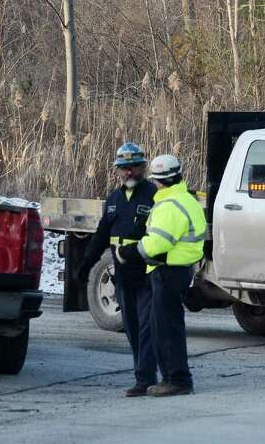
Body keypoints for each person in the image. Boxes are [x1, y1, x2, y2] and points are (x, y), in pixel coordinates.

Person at [118, 154, 206, 397]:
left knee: (165, 329)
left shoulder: (169, 205)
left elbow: (157, 243)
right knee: (168, 327)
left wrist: (129, 251)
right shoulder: (186, 199)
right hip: (178, 270)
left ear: (158, 180)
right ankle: (174, 378)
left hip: (167, 271)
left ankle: (175, 379)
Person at [77, 142, 158, 397]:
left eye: (133, 167)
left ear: (142, 168)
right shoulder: (113, 199)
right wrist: (86, 265)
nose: (128, 172)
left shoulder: (154, 196)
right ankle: (143, 374)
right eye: (123, 168)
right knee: (133, 329)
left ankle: (145, 379)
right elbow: (101, 235)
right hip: (122, 278)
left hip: (147, 275)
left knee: (147, 328)